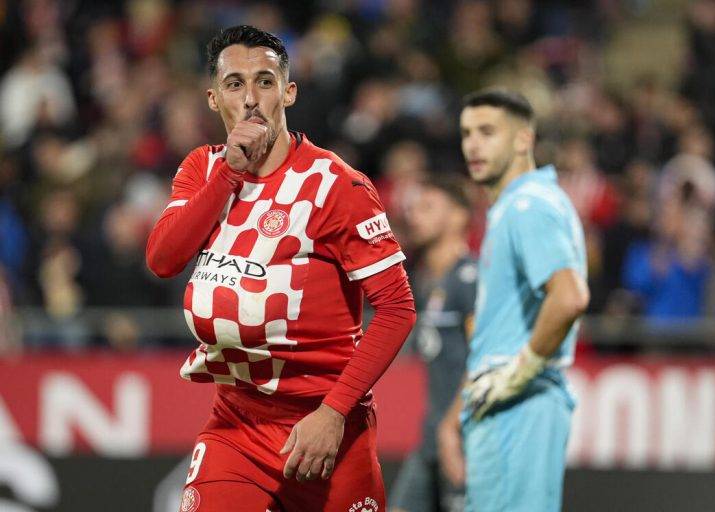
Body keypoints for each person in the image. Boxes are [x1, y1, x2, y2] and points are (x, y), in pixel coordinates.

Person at [145, 26, 416, 512]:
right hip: (237, 423)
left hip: (326, 429)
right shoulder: (202, 170)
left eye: (265, 82)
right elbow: (163, 260)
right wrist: (230, 171)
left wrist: (333, 413)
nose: (250, 99)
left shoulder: (336, 185)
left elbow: (397, 308)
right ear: (213, 99)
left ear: (288, 91)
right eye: (234, 84)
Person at [438, 89, 589, 512]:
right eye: (467, 133)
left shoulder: (528, 205)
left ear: (524, 140)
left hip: (519, 405)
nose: (473, 144)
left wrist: (517, 375)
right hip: (504, 405)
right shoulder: (516, 207)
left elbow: (570, 296)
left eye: (488, 132)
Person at [390, 176, 477, 512]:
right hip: (432, 437)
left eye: (428, 207)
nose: (415, 215)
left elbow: (483, 359)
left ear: (458, 217)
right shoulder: (426, 281)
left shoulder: (469, 279)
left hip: (462, 436)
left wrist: (451, 426)